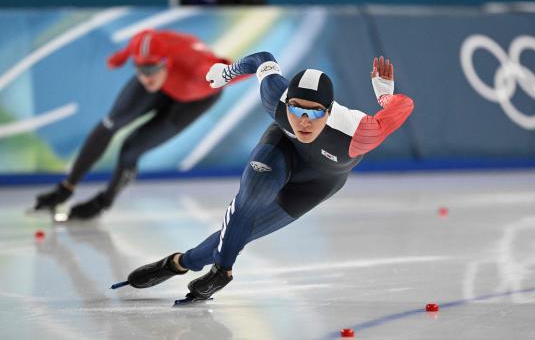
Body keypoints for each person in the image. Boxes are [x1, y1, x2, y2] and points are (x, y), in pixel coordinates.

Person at [121, 52, 414, 302]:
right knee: (249, 200)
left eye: (314, 114)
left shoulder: (360, 132)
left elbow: (404, 105)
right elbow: (262, 60)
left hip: (318, 182)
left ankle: (180, 263)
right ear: (287, 102)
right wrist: (226, 73)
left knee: (242, 234)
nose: (303, 121)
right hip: (282, 150)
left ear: (329, 112)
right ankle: (222, 272)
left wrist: (384, 95)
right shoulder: (276, 97)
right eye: (296, 108)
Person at [33, 29, 239, 220]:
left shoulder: (202, 69)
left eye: (151, 69)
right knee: (109, 125)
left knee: (132, 148)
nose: (145, 77)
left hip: (194, 98)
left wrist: (263, 70)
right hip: (166, 84)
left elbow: (239, 71)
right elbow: (129, 53)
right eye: (140, 69)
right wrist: (119, 59)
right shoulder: (141, 44)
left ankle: (104, 201)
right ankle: (66, 188)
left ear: (167, 63)